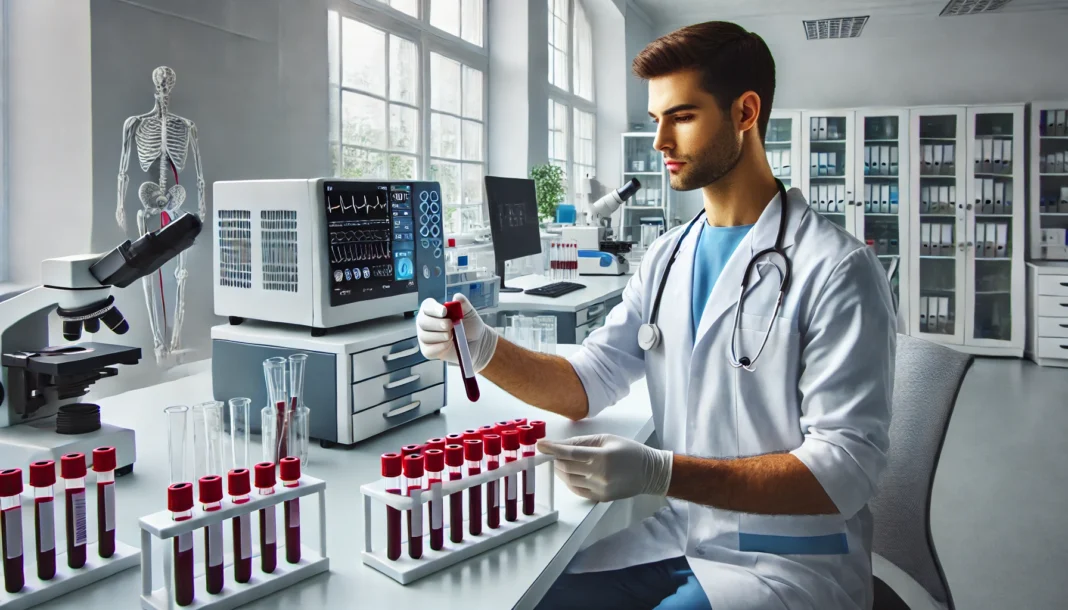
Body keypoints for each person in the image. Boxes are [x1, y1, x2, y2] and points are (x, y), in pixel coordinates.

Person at [417, 21, 896, 610]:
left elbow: (845, 471)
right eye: (656, 120)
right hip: (682, 538)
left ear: (745, 112)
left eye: (684, 116)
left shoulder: (835, 267)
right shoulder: (669, 256)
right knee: (537, 600)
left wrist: (660, 474)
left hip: (790, 561)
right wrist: (481, 345)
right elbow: (586, 384)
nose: (662, 141)